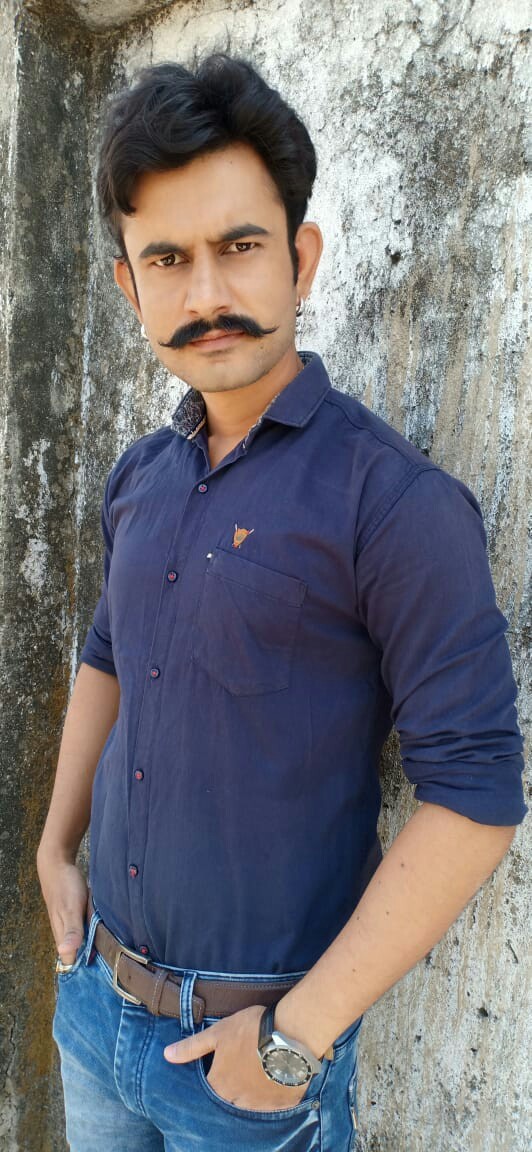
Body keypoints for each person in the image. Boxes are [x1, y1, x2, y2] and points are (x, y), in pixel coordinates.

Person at [36, 52, 527, 1152]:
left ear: (300, 259)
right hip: (94, 1010)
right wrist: (53, 849)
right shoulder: (140, 477)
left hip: (248, 1065)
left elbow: (475, 795)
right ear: (128, 285)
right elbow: (108, 651)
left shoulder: (391, 502)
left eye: (240, 246)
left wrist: (291, 1042)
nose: (205, 294)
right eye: (167, 260)